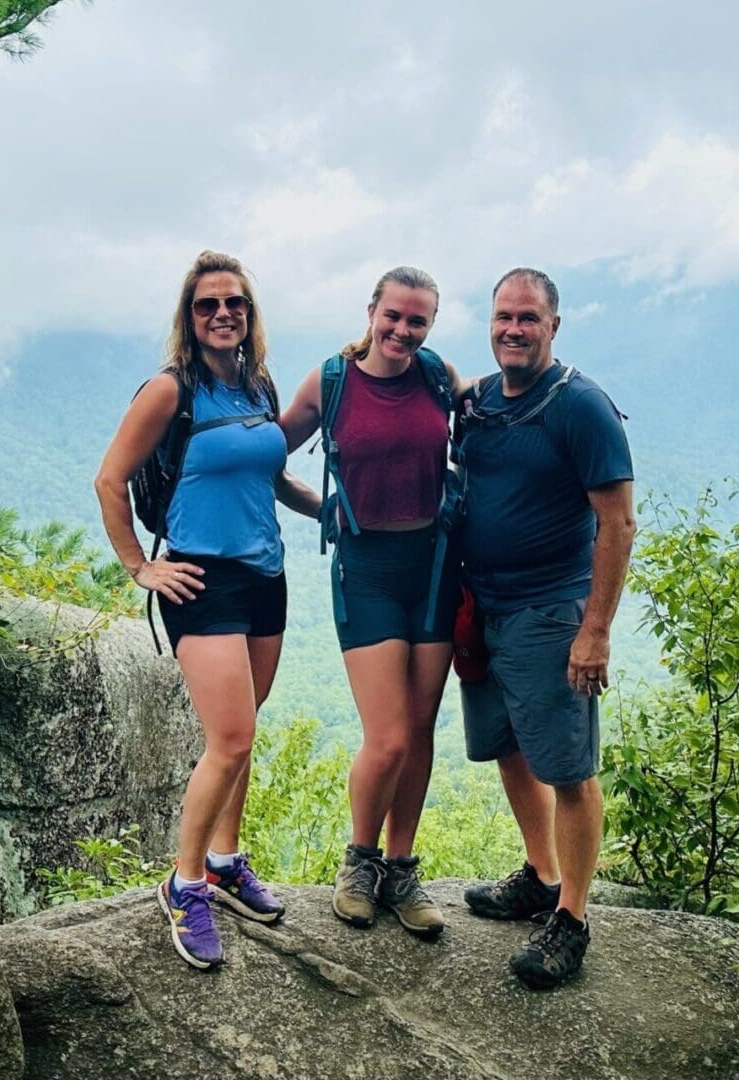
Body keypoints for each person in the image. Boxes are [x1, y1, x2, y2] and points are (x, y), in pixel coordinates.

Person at [95, 250, 318, 970]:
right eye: (208, 305)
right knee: (230, 738)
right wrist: (140, 566)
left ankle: (225, 859)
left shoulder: (257, 386)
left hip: (265, 576)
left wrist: (329, 511)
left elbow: (273, 473)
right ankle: (184, 884)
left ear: (250, 315)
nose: (223, 314)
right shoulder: (170, 392)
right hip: (200, 580)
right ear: (188, 320)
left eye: (235, 304)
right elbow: (110, 479)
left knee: (242, 738)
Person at [456, 267, 635, 989]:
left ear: (553, 326)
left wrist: (595, 630)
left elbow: (617, 522)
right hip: (483, 607)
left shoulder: (582, 407)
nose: (514, 329)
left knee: (567, 765)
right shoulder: (480, 403)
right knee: (509, 745)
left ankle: (572, 915)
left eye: (528, 318)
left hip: (551, 610)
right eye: (503, 316)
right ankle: (539, 871)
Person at [282, 266, 471, 938]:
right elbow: (267, 457)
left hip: (435, 563)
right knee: (387, 737)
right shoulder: (331, 383)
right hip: (366, 569)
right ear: (371, 311)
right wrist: (325, 512)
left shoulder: (436, 377)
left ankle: (400, 869)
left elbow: (484, 418)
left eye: (417, 321)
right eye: (393, 316)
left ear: (429, 328)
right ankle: (359, 861)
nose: (402, 330)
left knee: (419, 731)